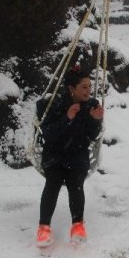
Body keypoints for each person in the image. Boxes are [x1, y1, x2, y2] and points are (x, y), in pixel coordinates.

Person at [35, 67, 104, 248]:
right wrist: (67, 118)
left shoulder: (91, 104)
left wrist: (95, 121)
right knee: (53, 183)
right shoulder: (56, 104)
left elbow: (92, 136)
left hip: (77, 154)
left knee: (76, 185)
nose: (88, 91)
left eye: (89, 86)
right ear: (71, 88)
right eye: (83, 87)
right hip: (55, 155)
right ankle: (43, 227)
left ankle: (78, 226)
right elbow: (47, 135)